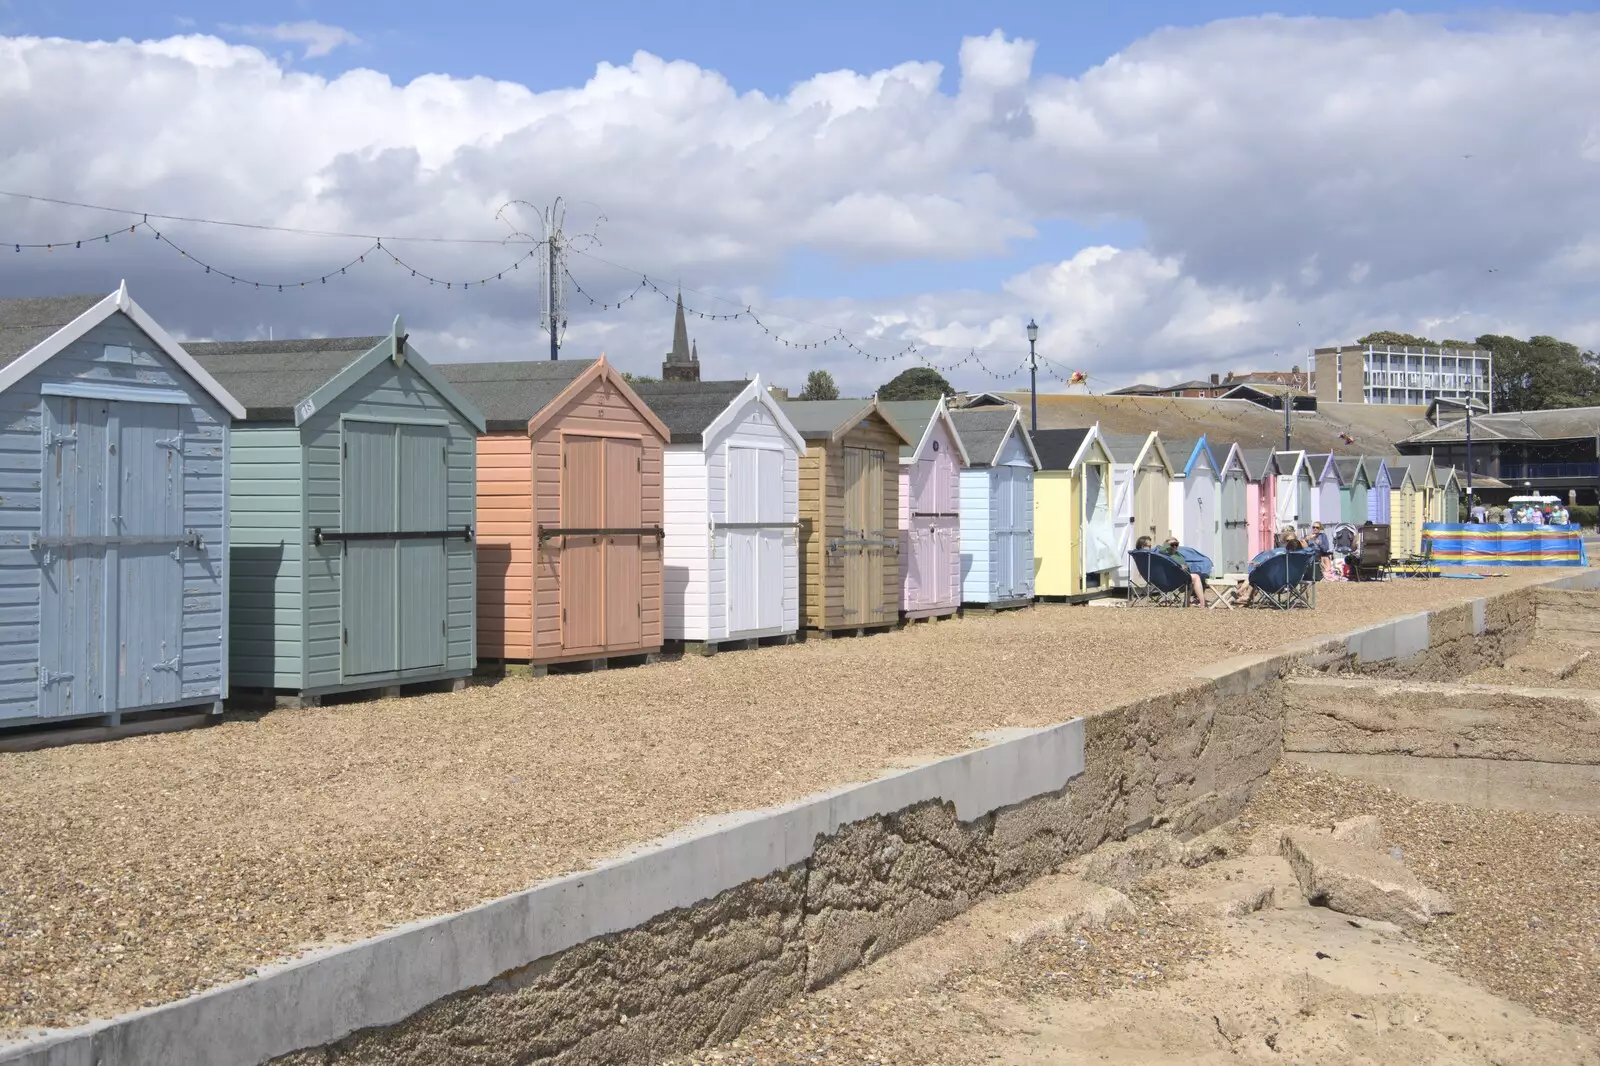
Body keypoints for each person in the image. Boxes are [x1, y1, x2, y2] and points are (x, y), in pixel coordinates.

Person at [1157, 536, 1207, 607]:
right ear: (1167, 545)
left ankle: (1187, 603)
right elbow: (1162, 550)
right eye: (1172, 545)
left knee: (1201, 576)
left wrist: (1185, 567)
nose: (1174, 546)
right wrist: (1168, 544)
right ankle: (1203, 604)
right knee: (1196, 577)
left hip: (1182, 576)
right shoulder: (1165, 554)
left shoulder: (1177, 554)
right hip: (1173, 579)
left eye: (1176, 544)